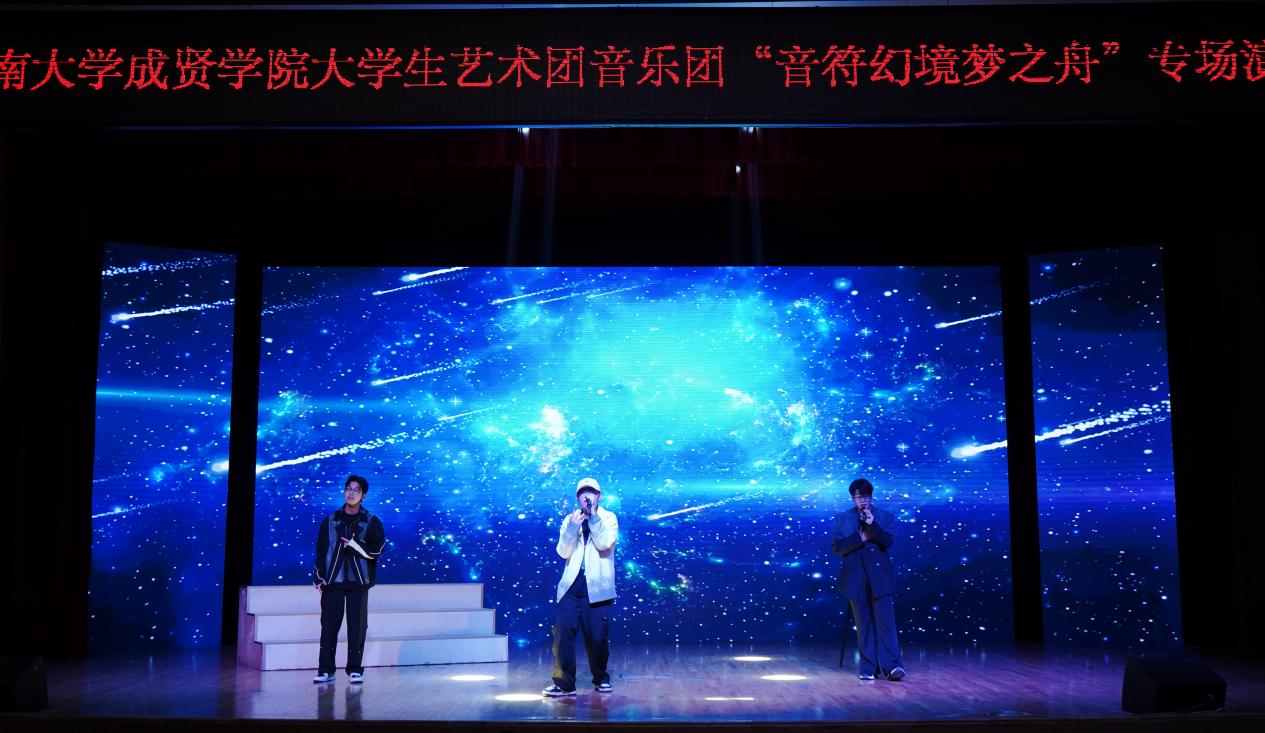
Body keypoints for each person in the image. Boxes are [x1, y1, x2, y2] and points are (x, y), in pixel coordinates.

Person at [543, 477, 619, 696]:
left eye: (591, 492)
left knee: (597, 638)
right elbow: (563, 552)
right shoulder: (570, 520)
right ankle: (564, 683)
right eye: (583, 493)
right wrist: (572, 528)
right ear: (577, 498)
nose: (587, 496)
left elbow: (604, 544)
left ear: (598, 496)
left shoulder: (608, 518)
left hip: (597, 588)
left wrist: (593, 518)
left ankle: (601, 678)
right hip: (571, 588)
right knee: (563, 635)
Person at [312, 474, 386, 684]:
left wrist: (355, 546)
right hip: (332, 582)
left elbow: (377, 550)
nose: (351, 493)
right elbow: (320, 552)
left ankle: (355, 669)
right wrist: (319, 577)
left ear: (363, 496)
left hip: (358, 582)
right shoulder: (330, 520)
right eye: (348, 488)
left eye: (356, 490)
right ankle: (326, 670)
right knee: (328, 626)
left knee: (357, 627)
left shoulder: (371, 521)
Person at [831, 478, 905, 682]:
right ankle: (868, 668)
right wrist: (860, 537)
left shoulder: (885, 516)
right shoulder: (842, 519)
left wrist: (872, 525)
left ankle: (892, 666)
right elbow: (837, 547)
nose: (862, 500)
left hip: (880, 577)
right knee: (863, 625)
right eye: (858, 497)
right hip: (856, 577)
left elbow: (887, 541)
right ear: (853, 498)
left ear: (871, 497)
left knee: (886, 624)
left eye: (866, 497)